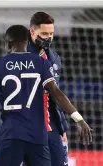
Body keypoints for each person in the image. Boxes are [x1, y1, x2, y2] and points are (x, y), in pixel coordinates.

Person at [0, 25, 92, 166]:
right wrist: (79, 119)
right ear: (27, 42)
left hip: (11, 135)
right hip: (37, 137)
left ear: (7, 44)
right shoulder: (41, 63)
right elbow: (57, 94)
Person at [28, 11, 70, 166]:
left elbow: (55, 95)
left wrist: (62, 126)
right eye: (44, 33)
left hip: (51, 126)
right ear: (32, 32)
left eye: (51, 33)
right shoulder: (19, 57)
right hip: (27, 127)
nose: (48, 37)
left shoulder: (54, 58)